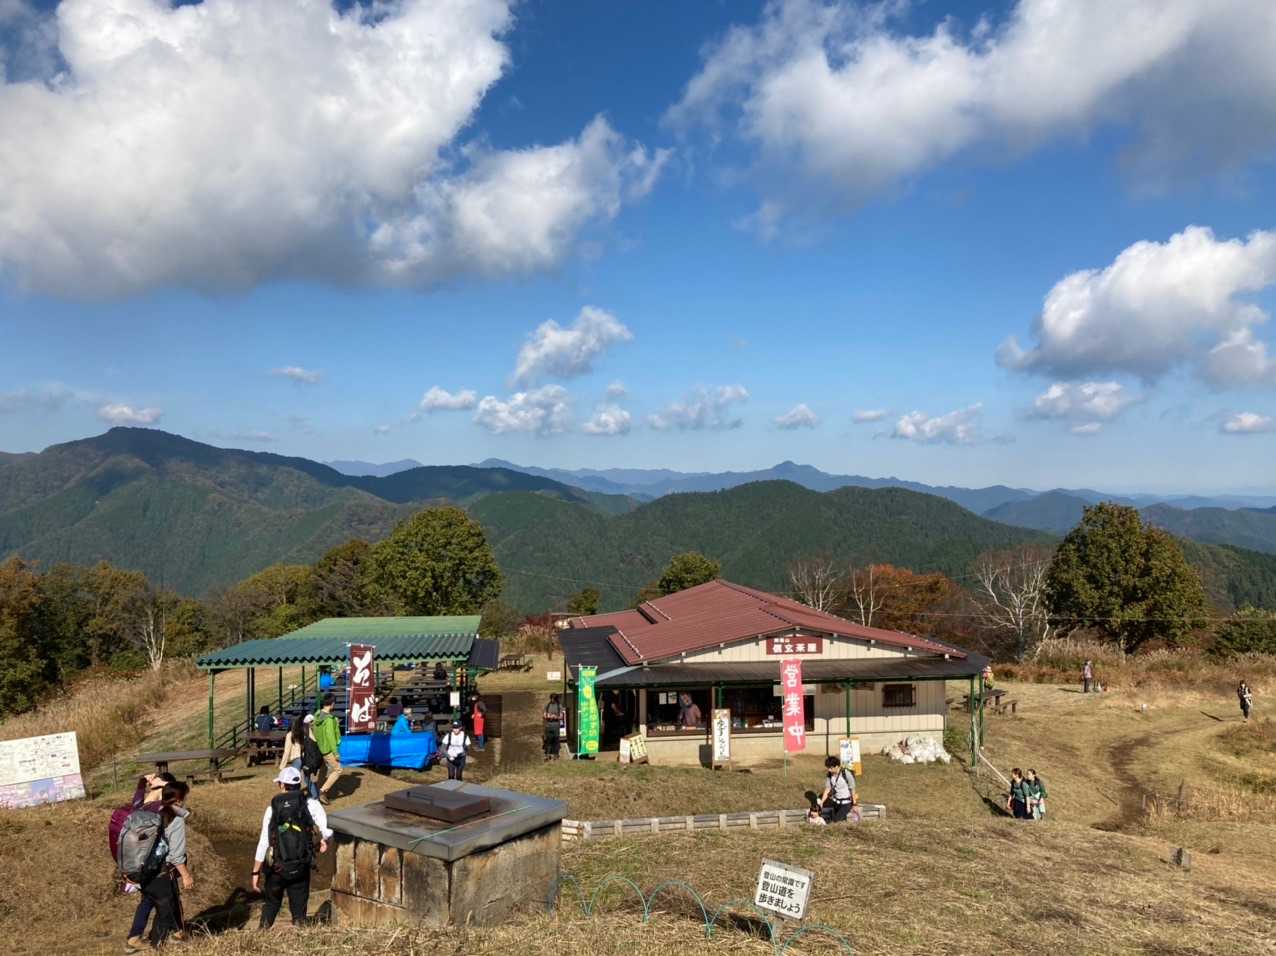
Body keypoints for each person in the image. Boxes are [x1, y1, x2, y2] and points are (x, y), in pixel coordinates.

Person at [251, 767, 332, 929]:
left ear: (282, 785)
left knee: (272, 904)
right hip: (301, 865)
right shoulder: (311, 803)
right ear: (298, 784)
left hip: (277, 868)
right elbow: (327, 829)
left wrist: (255, 872)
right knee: (299, 911)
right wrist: (324, 841)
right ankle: (299, 929)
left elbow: (264, 842)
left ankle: (262, 933)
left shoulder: (272, 808)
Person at [125, 781, 193, 952]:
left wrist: (146, 784)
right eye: (185, 797)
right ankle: (158, 947)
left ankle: (134, 938)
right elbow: (176, 855)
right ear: (179, 799)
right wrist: (186, 875)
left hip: (143, 869)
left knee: (147, 901)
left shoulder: (151, 809)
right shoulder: (175, 819)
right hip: (162, 873)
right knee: (165, 909)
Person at [312, 694, 343, 805]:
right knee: (338, 769)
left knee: (323, 768)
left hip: (318, 747)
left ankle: (318, 789)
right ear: (332, 704)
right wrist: (335, 752)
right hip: (327, 749)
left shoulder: (317, 715)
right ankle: (322, 791)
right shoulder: (329, 719)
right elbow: (330, 737)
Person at [816, 755, 858, 823]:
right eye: (828, 768)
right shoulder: (829, 775)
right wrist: (822, 802)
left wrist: (854, 804)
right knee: (840, 820)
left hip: (846, 803)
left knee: (836, 821)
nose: (829, 770)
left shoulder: (846, 774)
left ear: (837, 766)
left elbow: (852, 789)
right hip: (835, 803)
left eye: (831, 768)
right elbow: (827, 789)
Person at [543, 694, 563, 760]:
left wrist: (555, 717)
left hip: (556, 725)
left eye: (553, 699)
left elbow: (561, 716)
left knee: (556, 740)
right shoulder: (547, 705)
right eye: (551, 698)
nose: (552, 700)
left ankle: (556, 755)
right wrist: (548, 716)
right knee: (548, 740)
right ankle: (547, 755)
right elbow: (544, 715)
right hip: (548, 725)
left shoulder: (559, 706)